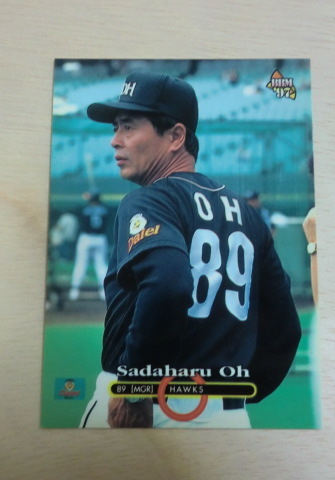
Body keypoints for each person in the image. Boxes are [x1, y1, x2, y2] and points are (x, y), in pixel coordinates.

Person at [79, 72, 301, 428]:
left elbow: (168, 285)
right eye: (116, 127)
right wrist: (237, 392)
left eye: (128, 126)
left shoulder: (149, 201)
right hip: (227, 417)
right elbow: (285, 329)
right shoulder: (248, 215)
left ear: (176, 136)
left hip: (148, 407)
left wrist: (135, 388)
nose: (115, 140)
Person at [68, 190, 109, 301]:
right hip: (100, 238)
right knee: (101, 265)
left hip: (86, 238)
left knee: (80, 264)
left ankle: (74, 292)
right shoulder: (105, 210)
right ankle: (104, 292)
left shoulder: (84, 209)